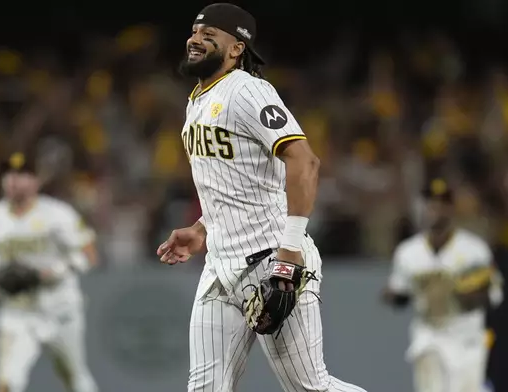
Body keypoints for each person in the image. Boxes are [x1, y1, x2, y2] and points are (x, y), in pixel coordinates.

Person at [156, 3, 367, 391]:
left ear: (236, 48)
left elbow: (305, 162)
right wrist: (202, 229)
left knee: (309, 387)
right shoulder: (196, 100)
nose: (195, 40)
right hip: (220, 268)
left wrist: (289, 253)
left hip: (271, 261)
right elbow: (237, 182)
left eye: (209, 35)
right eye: (194, 32)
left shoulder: (249, 91)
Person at [0, 152, 99, 392]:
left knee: (75, 380)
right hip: (17, 311)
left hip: (59, 309)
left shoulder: (58, 214)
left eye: (22, 174)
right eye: (8, 174)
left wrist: (53, 271)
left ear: (36, 181)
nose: (13, 180)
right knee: (7, 384)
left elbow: (89, 255)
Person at [382, 178, 504, 392]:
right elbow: (399, 293)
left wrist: (462, 292)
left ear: (451, 209)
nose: (435, 209)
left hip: (467, 338)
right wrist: (393, 295)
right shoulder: (409, 252)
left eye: (441, 204)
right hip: (429, 335)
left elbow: (492, 296)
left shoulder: (474, 250)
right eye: (430, 203)